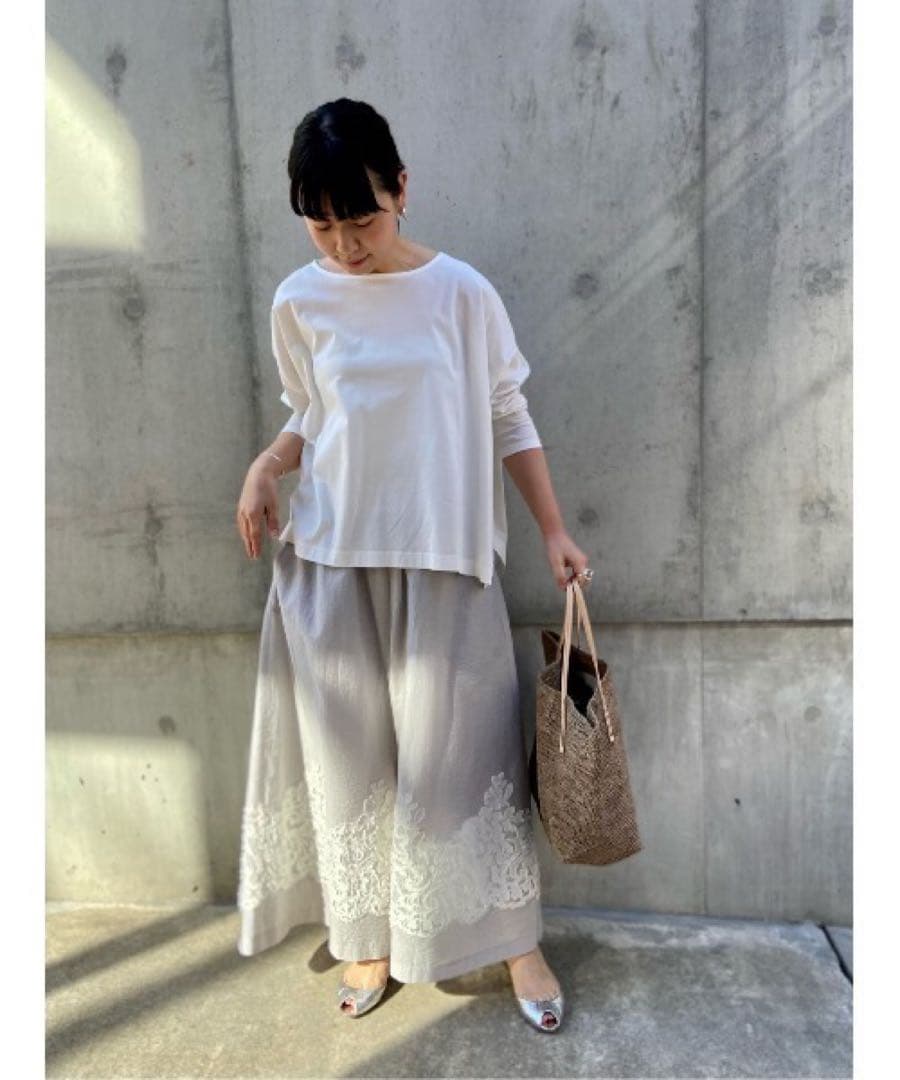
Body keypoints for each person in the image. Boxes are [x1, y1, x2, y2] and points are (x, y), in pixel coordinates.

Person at [234, 98, 590, 1033]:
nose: (345, 245)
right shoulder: (298, 300)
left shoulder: (462, 294)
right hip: (330, 558)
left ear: (401, 187)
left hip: (444, 558)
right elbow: (311, 413)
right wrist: (268, 464)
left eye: (361, 217)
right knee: (351, 769)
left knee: (463, 769)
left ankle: (514, 941)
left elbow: (507, 413)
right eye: (322, 225)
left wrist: (553, 530)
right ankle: (368, 937)